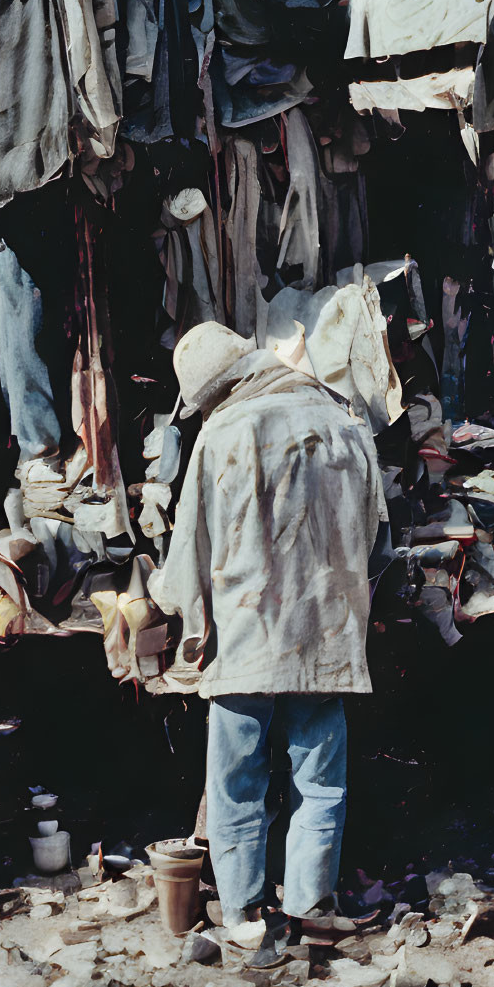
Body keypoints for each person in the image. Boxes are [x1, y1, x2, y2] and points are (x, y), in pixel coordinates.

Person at [150, 322, 385, 953]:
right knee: (320, 775)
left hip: (245, 636)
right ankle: (311, 902)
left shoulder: (222, 431)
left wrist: (181, 622)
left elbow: (187, 557)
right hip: (325, 636)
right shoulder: (343, 420)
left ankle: (244, 914)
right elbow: (378, 542)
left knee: (236, 782)